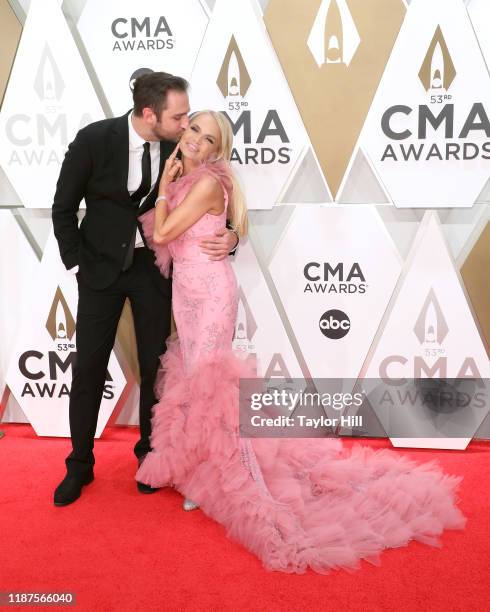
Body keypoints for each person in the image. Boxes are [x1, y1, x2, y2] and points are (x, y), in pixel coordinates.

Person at [136, 110, 466, 574]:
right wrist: (220, 225)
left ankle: (233, 479)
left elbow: (164, 231)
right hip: (187, 297)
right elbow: (177, 240)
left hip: (210, 296)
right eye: (192, 130)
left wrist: (170, 191)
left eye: (206, 138)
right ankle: (202, 474)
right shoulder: (193, 183)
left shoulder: (205, 184)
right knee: (195, 386)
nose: (194, 140)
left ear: (216, 149)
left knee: (214, 393)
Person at [51, 73, 239, 507]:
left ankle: (151, 457)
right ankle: (79, 463)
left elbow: (213, 195)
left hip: (151, 270)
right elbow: (63, 206)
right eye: (179, 116)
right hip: (99, 270)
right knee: (90, 366)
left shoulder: (182, 145)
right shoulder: (95, 140)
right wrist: (79, 259)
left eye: (189, 117)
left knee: (158, 368)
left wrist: (230, 237)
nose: (186, 123)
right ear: (150, 114)